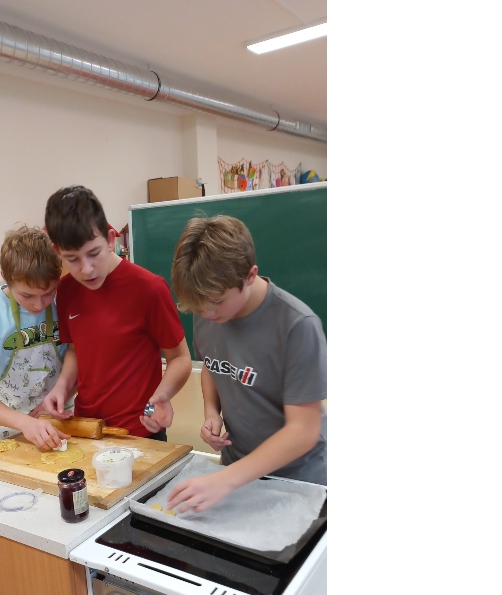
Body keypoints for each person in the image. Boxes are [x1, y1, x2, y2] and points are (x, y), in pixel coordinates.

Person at [166, 215, 326, 514]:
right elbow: (213, 365)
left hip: (296, 481)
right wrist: (211, 412)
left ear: (250, 275)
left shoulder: (297, 326)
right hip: (236, 471)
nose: (207, 314)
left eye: (217, 302)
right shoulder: (207, 307)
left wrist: (225, 480)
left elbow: (303, 430)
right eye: (199, 306)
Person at [41, 186, 191, 438]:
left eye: (94, 254)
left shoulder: (149, 288)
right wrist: (62, 387)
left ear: (111, 239)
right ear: (58, 253)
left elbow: (180, 358)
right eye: (73, 259)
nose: (86, 269)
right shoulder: (66, 290)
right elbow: (76, 351)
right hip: (87, 428)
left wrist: (162, 396)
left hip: (140, 431)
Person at [0, 225, 70, 451]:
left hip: (60, 416)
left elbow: (78, 354)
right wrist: (25, 423)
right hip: (6, 423)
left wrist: (61, 395)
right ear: (5, 277)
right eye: (27, 295)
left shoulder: (67, 299)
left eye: (48, 292)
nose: (39, 305)